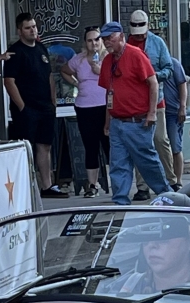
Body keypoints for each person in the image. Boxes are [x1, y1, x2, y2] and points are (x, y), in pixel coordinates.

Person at [97, 21, 171, 205]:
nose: (107, 42)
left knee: (147, 161)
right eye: (104, 39)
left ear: (121, 36)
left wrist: (152, 113)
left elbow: (153, 82)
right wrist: (107, 121)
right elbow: (109, 93)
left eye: (110, 38)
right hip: (117, 121)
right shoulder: (107, 61)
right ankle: (120, 201)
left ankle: (166, 195)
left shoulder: (136, 55)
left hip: (137, 120)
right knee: (117, 164)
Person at [5, 14, 66, 198]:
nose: (32, 30)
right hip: (27, 109)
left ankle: (47, 186)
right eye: (27, 28)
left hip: (45, 107)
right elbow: (9, 82)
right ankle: (25, 188)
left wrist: (53, 102)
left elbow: (49, 77)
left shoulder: (41, 48)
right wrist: (22, 107)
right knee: (26, 148)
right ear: (19, 31)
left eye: (34, 26)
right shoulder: (15, 52)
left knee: (45, 146)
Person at [127, 10, 179, 197]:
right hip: (136, 102)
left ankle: (171, 180)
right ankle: (142, 186)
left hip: (156, 99)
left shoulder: (157, 43)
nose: (139, 33)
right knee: (141, 144)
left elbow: (169, 68)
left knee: (160, 140)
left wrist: (153, 76)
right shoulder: (127, 44)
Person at [62, 27, 109, 198]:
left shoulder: (108, 58)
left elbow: (118, 78)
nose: (94, 43)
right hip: (84, 106)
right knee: (90, 146)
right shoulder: (79, 59)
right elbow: (64, 70)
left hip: (105, 107)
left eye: (96, 39)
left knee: (109, 144)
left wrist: (100, 71)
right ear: (85, 42)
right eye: (90, 40)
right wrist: (76, 83)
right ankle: (92, 184)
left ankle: (117, 183)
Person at [162, 55, 189, 186]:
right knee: (161, 147)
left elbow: (182, 84)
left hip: (173, 112)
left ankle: (178, 181)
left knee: (175, 147)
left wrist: (183, 107)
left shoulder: (173, 63)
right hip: (157, 112)